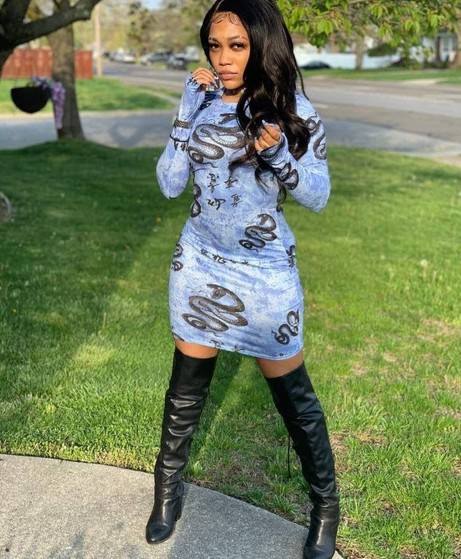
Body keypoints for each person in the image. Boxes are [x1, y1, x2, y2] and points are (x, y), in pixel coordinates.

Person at [145, 1, 340, 557]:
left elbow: (319, 195)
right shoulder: (202, 101)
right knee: (185, 391)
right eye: (214, 45)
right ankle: (167, 491)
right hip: (199, 261)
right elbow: (169, 183)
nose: (223, 58)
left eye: (237, 46)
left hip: (264, 273)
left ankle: (326, 506)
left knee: (294, 399)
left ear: (261, 45)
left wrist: (279, 157)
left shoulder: (292, 107)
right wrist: (186, 110)